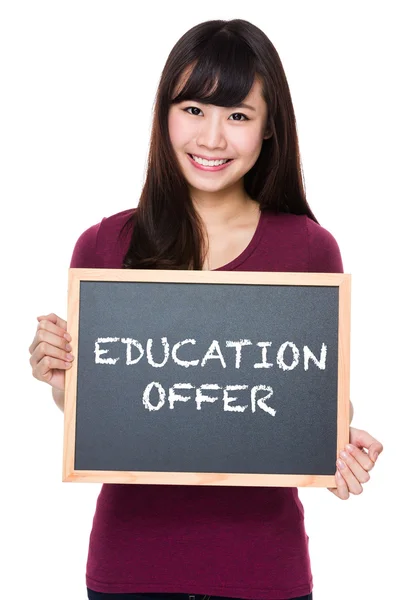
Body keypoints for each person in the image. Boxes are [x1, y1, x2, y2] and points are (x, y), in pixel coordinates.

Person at [28, 18, 383, 600]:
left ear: (269, 130)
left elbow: (309, 394)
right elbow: (101, 412)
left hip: (263, 569)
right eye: (193, 109)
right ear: (164, 114)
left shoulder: (310, 249)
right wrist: (61, 380)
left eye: (238, 116)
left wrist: (339, 446)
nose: (212, 138)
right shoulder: (104, 247)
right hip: (131, 566)